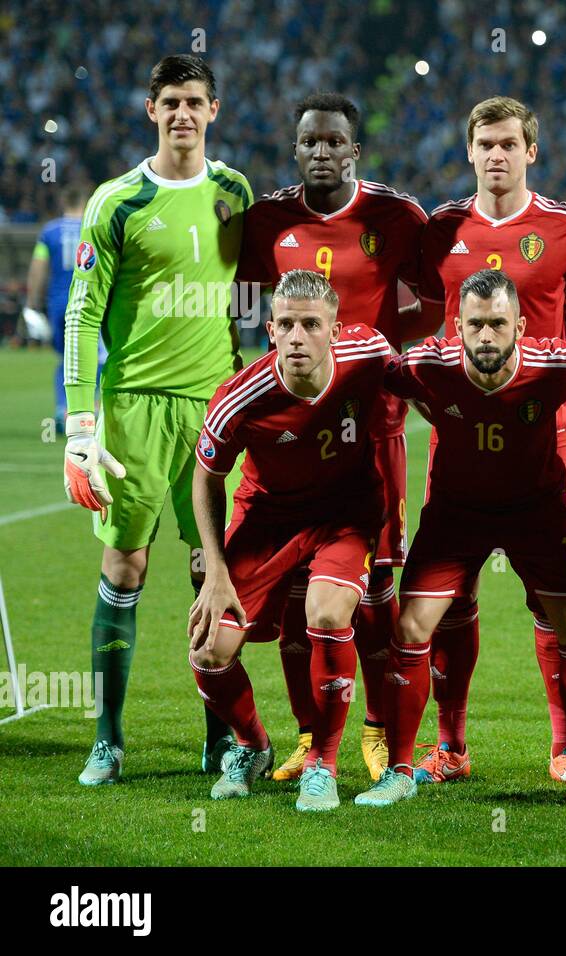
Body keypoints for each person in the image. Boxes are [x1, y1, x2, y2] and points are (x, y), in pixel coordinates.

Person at [354, 268, 566, 809]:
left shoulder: (554, 362)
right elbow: (378, 374)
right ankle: (400, 772)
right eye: (474, 325)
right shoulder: (431, 363)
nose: (485, 337)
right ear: (457, 326)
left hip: (539, 513)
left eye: (497, 324)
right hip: (457, 514)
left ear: (521, 326)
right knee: (411, 625)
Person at [62, 54, 251, 785]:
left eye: (194, 101)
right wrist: (83, 428)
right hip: (135, 409)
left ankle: (221, 737)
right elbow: (81, 316)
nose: (182, 113)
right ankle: (108, 740)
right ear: (151, 110)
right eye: (169, 101)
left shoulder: (235, 193)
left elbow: (259, 294)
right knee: (125, 564)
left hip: (216, 408)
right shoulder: (117, 202)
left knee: (215, 571)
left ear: (214, 110)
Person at [237, 91, 428, 783]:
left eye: (333, 142)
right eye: (310, 142)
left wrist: (382, 353)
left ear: (355, 150)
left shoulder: (396, 216)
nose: (321, 152)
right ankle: (309, 735)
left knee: (375, 591)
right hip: (291, 435)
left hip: (372, 433)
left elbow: (433, 299)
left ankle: (378, 729)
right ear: (296, 150)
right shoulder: (269, 220)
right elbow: (244, 310)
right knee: (297, 599)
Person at [418, 96, 566, 786]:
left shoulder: (565, 227)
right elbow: (408, 312)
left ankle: (565, 748)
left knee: (559, 603)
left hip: (543, 444)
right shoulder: (440, 228)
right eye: (484, 143)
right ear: (468, 151)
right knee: (449, 600)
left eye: (508, 143)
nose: (496, 155)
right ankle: (450, 747)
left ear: (532, 151)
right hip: (457, 441)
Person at [188, 269, 391, 811]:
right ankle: (252, 746)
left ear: (335, 329)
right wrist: (214, 569)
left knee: (326, 614)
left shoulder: (369, 354)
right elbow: (205, 476)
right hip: (268, 518)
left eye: (309, 324)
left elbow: (421, 383)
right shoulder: (241, 397)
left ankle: (322, 764)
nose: (297, 336)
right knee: (209, 650)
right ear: (270, 331)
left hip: (345, 515)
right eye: (285, 324)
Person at [25, 182, 102, 429]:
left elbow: (38, 267)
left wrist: (32, 303)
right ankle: (91, 409)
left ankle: (62, 411)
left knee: (65, 358)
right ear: (86, 203)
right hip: (91, 302)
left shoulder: (50, 231)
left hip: (59, 304)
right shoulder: (95, 227)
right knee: (97, 357)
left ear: (63, 203)